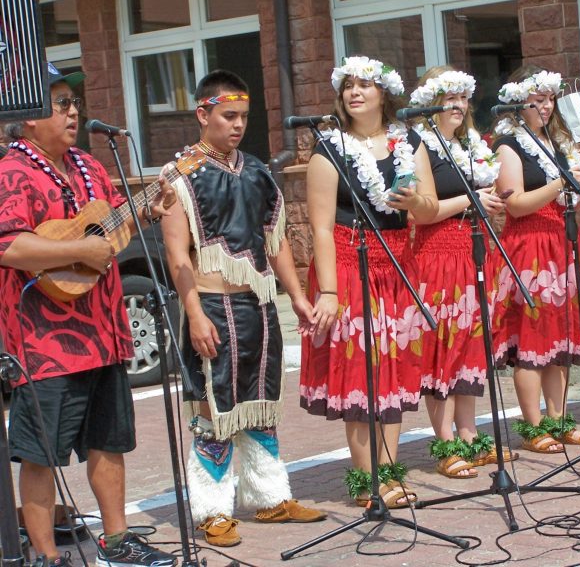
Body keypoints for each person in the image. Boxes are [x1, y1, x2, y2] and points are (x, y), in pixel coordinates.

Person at [0, 63, 177, 567]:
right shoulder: (11, 172)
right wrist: (78, 249)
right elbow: (8, 245)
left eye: (74, 102)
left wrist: (149, 207)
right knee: (41, 455)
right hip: (45, 342)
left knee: (108, 441)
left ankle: (118, 543)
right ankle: (46, 555)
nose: (73, 112)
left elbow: (113, 221)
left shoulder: (89, 166)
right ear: (29, 117)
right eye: (61, 104)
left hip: (104, 332)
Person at [161, 69, 326, 548]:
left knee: (260, 406)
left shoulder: (257, 171)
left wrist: (297, 297)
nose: (237, 125)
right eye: (228, 115)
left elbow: (276, 243)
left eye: (243, 117)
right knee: (214, 411)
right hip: (211, 305)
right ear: (203, 113)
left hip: (258, 304)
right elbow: (176, 255)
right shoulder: (179, 176)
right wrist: (194, 314)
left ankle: (270, 497)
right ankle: (212, 511)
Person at [300, 56, 438, 507]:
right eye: (348, 86)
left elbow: (429, 211)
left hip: (396, 265)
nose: (354, 93)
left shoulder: (409, 143)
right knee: (361, 373)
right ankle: (367, 480)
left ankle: (389, 473)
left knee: (393, 371)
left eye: (364, 85)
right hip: (348, 264)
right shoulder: (329, 149)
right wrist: (329, 292)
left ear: (384, 93)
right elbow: (320, 227)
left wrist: (414, 201)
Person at [407, 66, 514, 479]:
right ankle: (445, 442)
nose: (458, 105)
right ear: (429, 103)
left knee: (471, 343)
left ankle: (470, 436)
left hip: (474, 248)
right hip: (438, 252)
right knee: (443, 347)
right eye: (448, 98)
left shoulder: (469, 144)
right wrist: (472, 200)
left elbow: (479, 197)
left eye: (462, 97)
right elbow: (423, 210)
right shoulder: (420, 145)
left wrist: (490, 201)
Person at [491, 65, 580, 454]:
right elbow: (516, 204)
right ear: (518, 103)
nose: (546, 106)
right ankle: (533, 425)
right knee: (532, 338)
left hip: (561, 242)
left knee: (560, 336)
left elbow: (566, 200)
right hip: (529, 245)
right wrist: (560, 183)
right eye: (538, 100)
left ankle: (559, 418)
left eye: (550, 98)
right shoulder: (509, 145)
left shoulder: (556, 142)